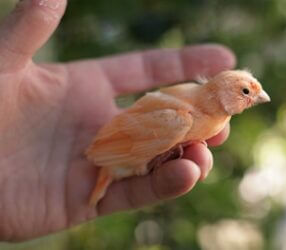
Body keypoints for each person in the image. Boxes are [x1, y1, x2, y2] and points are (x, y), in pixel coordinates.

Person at [0, 0, 235, 242]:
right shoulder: (182, 119)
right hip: (117, 156)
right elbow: (127, 146)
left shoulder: (201, 106)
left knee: (183, 165)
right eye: (246, 92)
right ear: (224, 94)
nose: (258, 97)